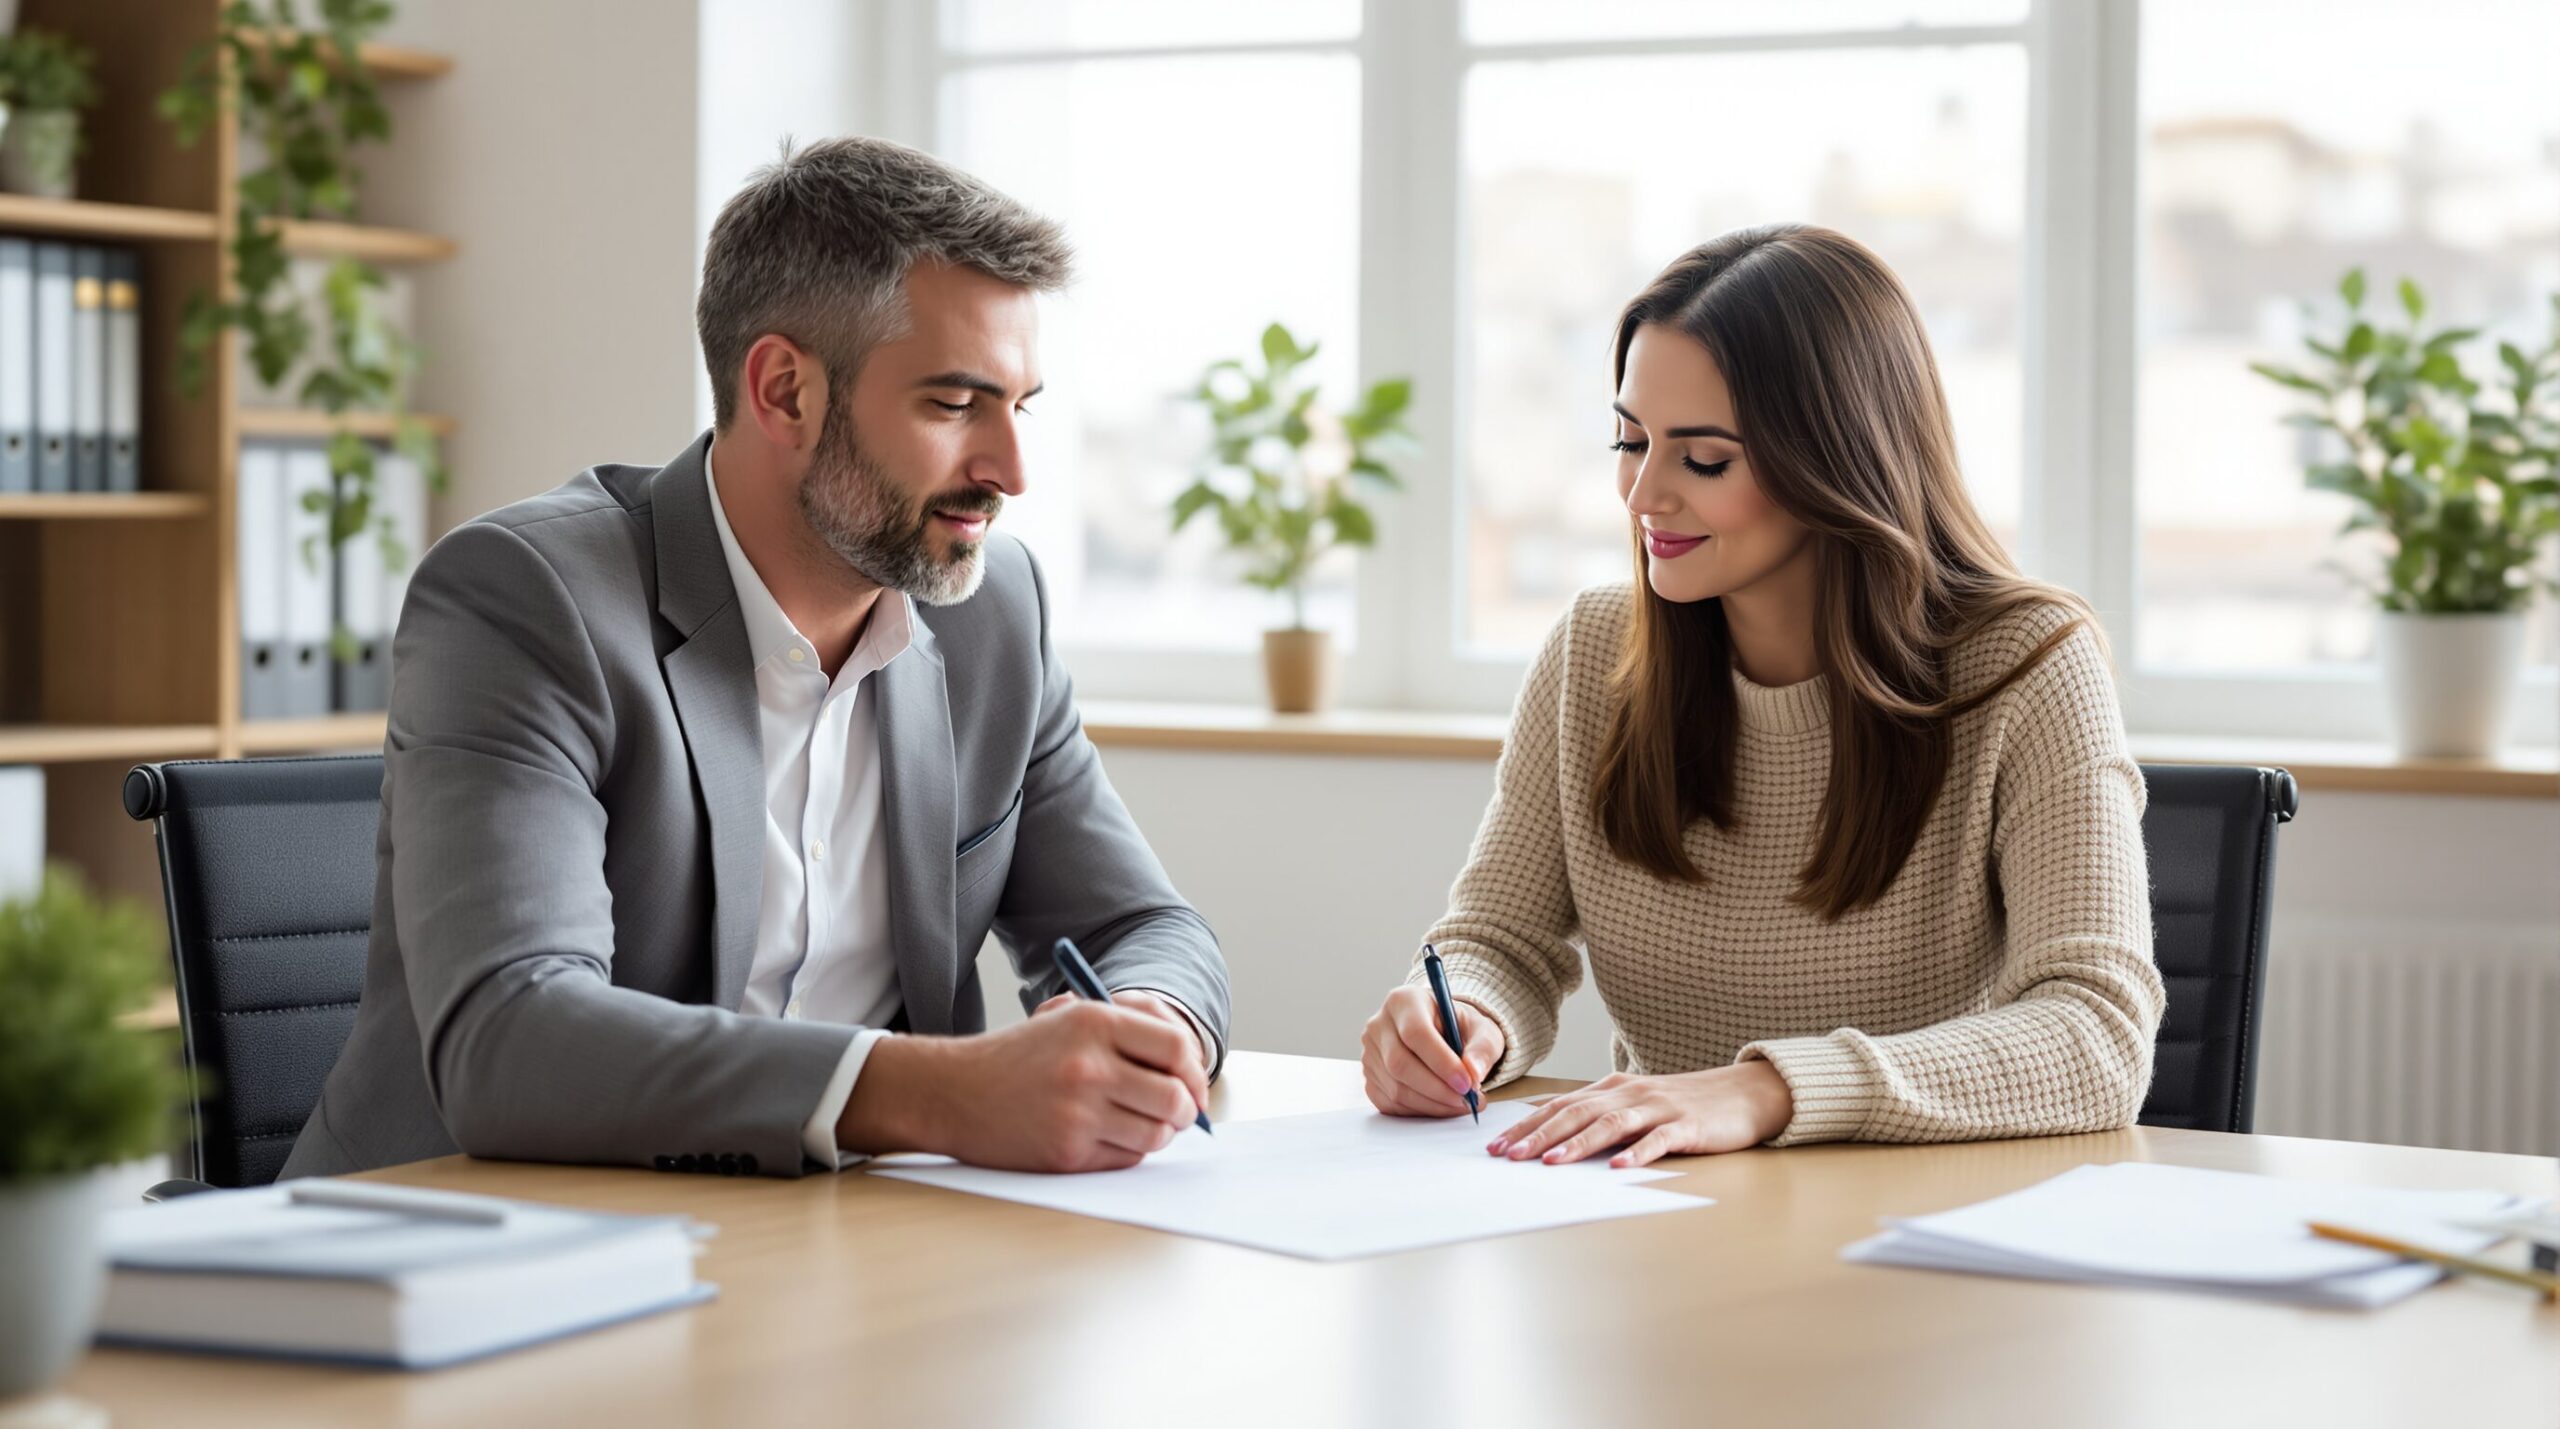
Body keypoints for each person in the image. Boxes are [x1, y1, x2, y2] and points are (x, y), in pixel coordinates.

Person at [284, 138, 1228, 1181]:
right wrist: (946, 1093)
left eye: (1022, 405)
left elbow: (1140, 922)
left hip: (830, 1252)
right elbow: (513, 1038)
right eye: (955, 405)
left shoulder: (992, 611)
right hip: (473, 1256)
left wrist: (1151, 1020)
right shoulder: (526, 598)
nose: (1010, 469)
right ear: (783, 391)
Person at [1359, 225, 2161, 1168]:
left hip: (1925, 1230)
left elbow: (2097, 1034)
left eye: (1703, 460)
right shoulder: (1590, 654)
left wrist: (1767, 1089)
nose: (1644, 493)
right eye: (1631, 440)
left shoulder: (2030, 664)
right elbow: (1502, 940)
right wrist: (1462, 1016)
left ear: (1839, 458)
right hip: (1664, 1228)